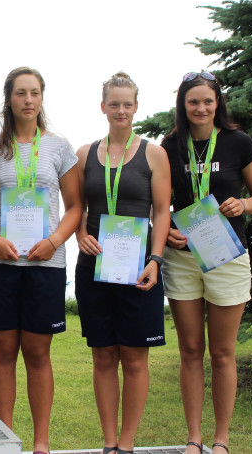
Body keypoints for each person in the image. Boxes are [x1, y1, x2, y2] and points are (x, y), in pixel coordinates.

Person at [0, 67, 81, 454]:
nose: (28, 100)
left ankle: (41, 442)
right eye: (21, 93)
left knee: (37, 353)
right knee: (3, 351)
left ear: (42, 97)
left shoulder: (59, 147)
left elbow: (75, 207)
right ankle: (5, 438)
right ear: (9, 99)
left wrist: (54, 241)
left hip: (45, 265)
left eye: (34, 92)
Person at [160, 72, 252, 454]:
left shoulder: (239, 142)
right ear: (183, 105)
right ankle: (194, 438)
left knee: (222, 353)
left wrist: (244, 204)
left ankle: (221, 439)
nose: (201, 108)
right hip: (183, 258)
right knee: (190, 351)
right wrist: (165, 231)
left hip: (226, 255)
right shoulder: (169, 146)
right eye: (193, 102)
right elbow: (160, 204)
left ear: (217, 102)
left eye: (207, 101)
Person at [74, 72, 171, 454]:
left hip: (138, 268)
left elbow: (161, 211)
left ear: (136, 107)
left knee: (133, 357)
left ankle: (127, 444)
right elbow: (76, 207)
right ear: (103, 107)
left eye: (127, 104)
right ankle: (109, 442)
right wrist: (79, 233)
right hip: (94, 266)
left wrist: (156, 259)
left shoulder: (153, 154)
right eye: (113, 104)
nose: (120, 110)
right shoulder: (85, 154)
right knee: (102, 356)